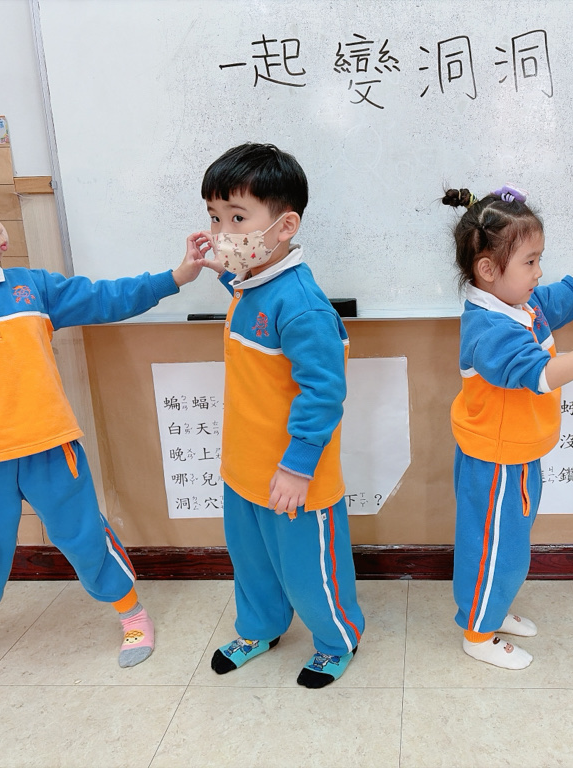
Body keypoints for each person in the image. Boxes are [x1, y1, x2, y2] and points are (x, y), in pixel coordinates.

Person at [0, 160, 212, 688]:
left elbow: (105, 298)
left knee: (85, 537)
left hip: (52, 449)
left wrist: (177, 277)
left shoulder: (31, 288)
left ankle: (132, 614)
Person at [442, 184, 573, 668]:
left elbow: (570, 291)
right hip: (496, 460)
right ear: (488, 270)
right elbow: (543, 375)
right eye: (530, 262)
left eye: (539, 260)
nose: (539, 273)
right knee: (495, 549)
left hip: (517, 453)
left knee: (509, 545)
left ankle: (491, 610)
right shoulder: (491, 330)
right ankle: (478, 632)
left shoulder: (520, 303)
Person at [195, 143, 364, 689]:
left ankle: (336, 640)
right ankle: (260, 628)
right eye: (215, 218)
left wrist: (297, 467)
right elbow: (251, 296)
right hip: (243, 469)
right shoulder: (252, 283)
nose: (223, 233)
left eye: (237, 219)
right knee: (253, 565)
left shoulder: (304, 306)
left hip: (294, 478)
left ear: (285, 226)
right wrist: (222, 271)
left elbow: (323, 393)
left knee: (310, 571)